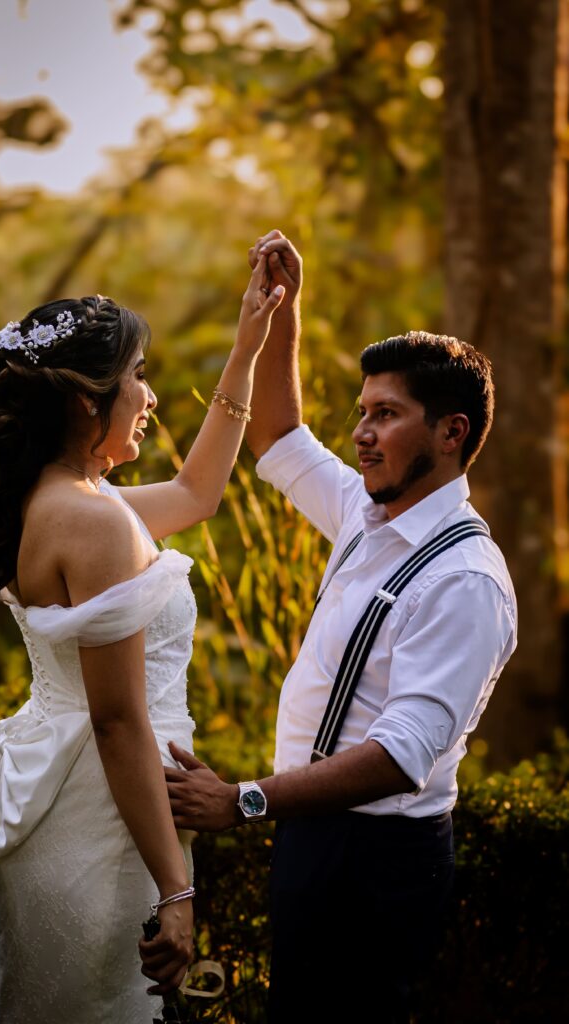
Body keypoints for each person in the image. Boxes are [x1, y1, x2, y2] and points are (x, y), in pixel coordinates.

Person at [165, 231, 518, 1023]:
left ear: (452, 433)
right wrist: (285, 317)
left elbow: (400, 756)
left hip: (380, 861)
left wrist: (245, 801)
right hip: (314, 839)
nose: (361, 432)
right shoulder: (366, 514)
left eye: (385, 415)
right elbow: (281, 440)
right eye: (362, 412)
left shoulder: (463, 580)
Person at [0, 258, 286, 1023]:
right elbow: (118, 720)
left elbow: (199, 494)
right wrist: (178, 889)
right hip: (106, 819)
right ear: (82, 397)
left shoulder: (63, 502)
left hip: (80, 800)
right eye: (138, 375)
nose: (151, 396)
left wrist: (248, 348)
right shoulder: (95, 521)